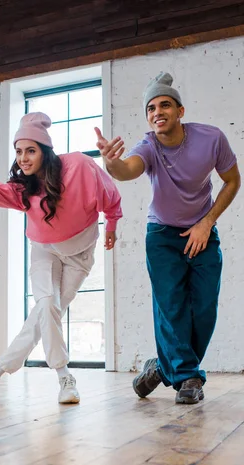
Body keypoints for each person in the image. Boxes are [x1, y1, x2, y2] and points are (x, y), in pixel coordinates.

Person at [0, 112, 122, 403]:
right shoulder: (23, 187)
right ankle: (65, 377)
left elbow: (111, 197)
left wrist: (112, 227)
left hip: (80, 254)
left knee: (43, 315)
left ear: (45, 151)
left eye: (30, 150)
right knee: (47, 306)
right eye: (18, 151)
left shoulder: (79, 166)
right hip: (44, 250)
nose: (23, 158)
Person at [96, 72, 240, 404]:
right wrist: (110, 162)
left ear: (180, 111)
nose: (157, 112)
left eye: (164, 105)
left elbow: (233, 181)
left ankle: (162, 369)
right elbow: (127, 169)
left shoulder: (211, 139)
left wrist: (208, 222)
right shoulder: (148, 146)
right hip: (161, 236)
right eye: (150, 108)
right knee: (171, 307)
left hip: (203, 231)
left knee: (204, 309)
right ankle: (188, 378)